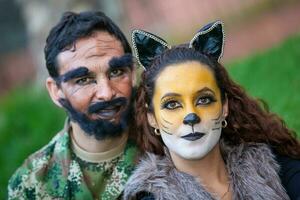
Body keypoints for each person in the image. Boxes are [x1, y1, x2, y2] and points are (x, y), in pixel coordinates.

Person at [123, 21, 300, 199]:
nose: (191, 116)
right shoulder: (149, 196)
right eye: (172, 104)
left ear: (224, 107)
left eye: (204, 100)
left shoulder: (273, 167)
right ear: (152, 117)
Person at [8, 11, 138, 199]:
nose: (106, 93)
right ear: (56, 91)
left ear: (133, 74)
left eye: (117, 72)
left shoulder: (170, 147)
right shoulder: (30, 184)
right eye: (84, 80)